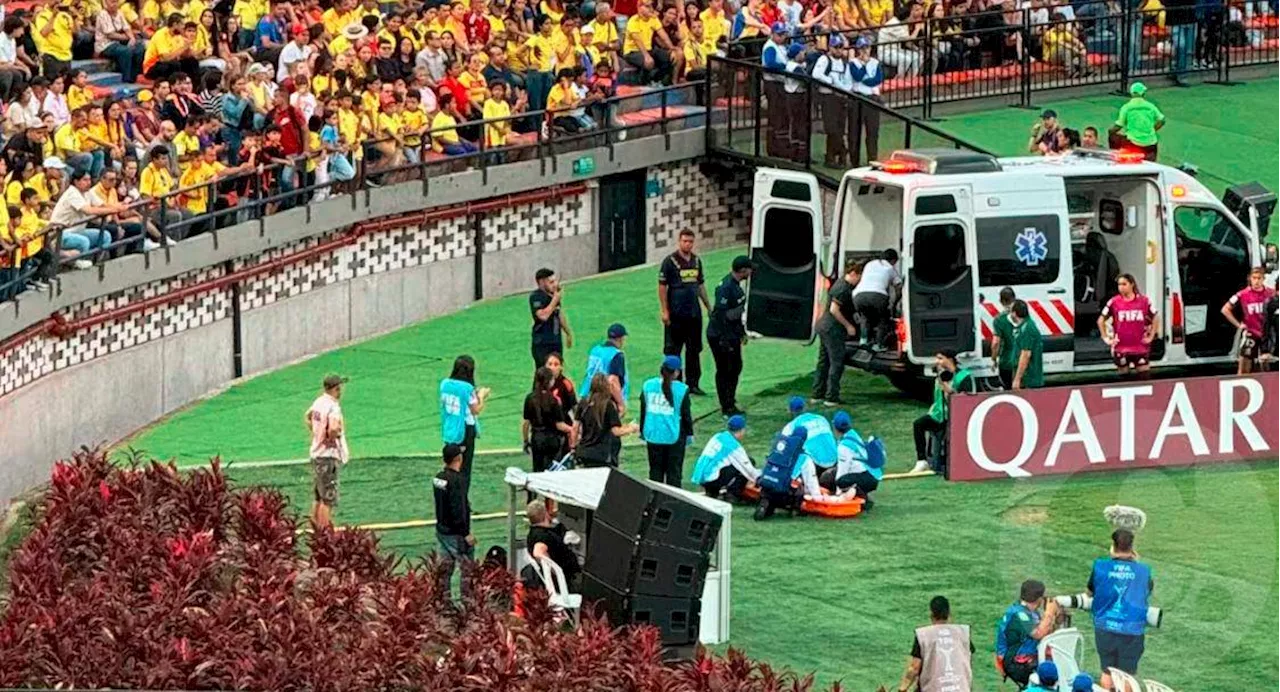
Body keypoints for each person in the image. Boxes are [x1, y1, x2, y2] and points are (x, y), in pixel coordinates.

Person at [1087, 528, 1154, 689]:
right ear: (1132, 547)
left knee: (1107, 671)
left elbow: (1089, 592)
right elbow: (1147, 591)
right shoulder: (1143, 570)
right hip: (1131, 629)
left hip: (1105, 626)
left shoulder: (1100, 566)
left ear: (1113, 545)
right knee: (1127, 676)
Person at [658, 228, 711, 395]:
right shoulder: (669, 261)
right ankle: (674, 382)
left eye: (690, 241)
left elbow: (700, 285)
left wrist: (708, 306)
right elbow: (662, 286)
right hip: (675, 314)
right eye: (685, 241)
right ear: (679, 242)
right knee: (673, 349)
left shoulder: (696, 261)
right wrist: (665, 310)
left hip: (693, 314)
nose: (687, 244)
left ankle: (693, 383)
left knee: (694, 349)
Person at [911, 350, 974, 475]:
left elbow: (965, 403)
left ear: (949, 359)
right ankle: (922, 460)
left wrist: (947, 389)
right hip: (938, 415)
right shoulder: (940, 377)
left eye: (940, 358)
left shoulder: (964, 376)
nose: (937, 362)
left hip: (957, 417)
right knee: (918, 424)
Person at [706, 255, 752, 416]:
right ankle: (726, 406)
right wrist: (724, 340)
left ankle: (730, 399)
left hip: (731, 333)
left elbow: (736, 315)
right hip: (720, 335)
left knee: (735, 367)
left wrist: (741, 333)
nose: (751, 272)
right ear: (742, 270)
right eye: (749, 269)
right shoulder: (725, 288)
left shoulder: (736, 286)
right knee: (725, 369)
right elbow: (721, 316)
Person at [897, 595, 973, 692]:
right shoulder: (963, 633)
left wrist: (902, 688)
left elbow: (914, 668)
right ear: (949, 613)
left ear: (932, 614)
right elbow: (968, 665)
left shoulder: (924, 635)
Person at [995, 579, 1063, 687]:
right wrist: (1049, 613)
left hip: (1025, 656)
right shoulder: (1019, 614)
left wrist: (1056, 618)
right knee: (1053, 675)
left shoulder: (1030, 612)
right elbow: (1038, 634)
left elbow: (1045, 632)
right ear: (1039, 598)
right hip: (1013, 662)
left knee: (1057, 666)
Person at [639, 355, 694, 487]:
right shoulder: (682, 389)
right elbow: (686, 415)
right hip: (674, 436)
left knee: (655, 472)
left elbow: (644, 411)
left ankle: (653, 502)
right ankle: (671, 505)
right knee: (674, 473)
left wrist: (642, 430)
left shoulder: (648, 385)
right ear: (676, 372)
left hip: (652, 434)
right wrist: (689, 434)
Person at [812, 260, 860, 406]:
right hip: (832, 328)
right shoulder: (843, 289)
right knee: (836, 362)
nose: (859, 281)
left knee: (823, 362)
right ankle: (832, 396)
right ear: (852, 274)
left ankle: (817, 394)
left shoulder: (838, 284)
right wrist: (848, 326)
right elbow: (834, 309)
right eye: (859, 277)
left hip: (823, 326)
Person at [440, 355, 491, 490]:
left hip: (450, 428)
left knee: (449, 463)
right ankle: (462, 500)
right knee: (464, 467)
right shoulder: (467, 388)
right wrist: (481, 396)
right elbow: (475, 410)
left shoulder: (444, 384)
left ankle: (448, 493)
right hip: (464, 430)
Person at [305, 373, 349, 530]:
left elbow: (307, 416)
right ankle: (324, 536)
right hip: (327, 457)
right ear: (336, 389)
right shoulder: (333, 407)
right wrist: (333, 436)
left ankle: (315, 530)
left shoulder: (318, 402)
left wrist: (316, 434)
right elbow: (333, 428)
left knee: (318, 496)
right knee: (327, 500)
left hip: (317, 455)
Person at [1099, 273, 1159, 378]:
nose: (1121, 287)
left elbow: (1155, 317)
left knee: (1144, 376)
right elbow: (1100, 320)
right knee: (1124, 378)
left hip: (1140, 347)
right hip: (1121, 347)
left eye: (1124, 284)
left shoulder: (1144, 301)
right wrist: (1106, 338)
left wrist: (1151, 336)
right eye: (1119, 285)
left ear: (1132, 285)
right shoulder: (1113, 302)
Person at [433, 443, 475, 590]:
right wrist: (466, 533)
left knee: (444, 570)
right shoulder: (457, 481)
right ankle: (469, 604)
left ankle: (443, 603)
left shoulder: (438, 478)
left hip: (442, 531)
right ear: (458, 458)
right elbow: (458, 509)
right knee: (467, 569)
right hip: (456, 533)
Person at [573, 372, 638, 467]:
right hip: (601, 454)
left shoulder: (583, 402)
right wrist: (631, 428)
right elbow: (616, 431)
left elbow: (575, 427)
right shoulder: (608, 405)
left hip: (584, 451)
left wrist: (574, 446)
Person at [820, 411, 883, 508]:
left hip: (867, 477)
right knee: (837, 477)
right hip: (872, 475)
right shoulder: (853, 435)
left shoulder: (844, 446)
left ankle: (863, 499)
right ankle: (860, 495)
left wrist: (838, 493)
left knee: (841, 481)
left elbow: (843, 470)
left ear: (835, 427)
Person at [523, 366, 575, 480]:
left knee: (537, 469)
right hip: (552, 438)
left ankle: (533, 496)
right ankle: (549, 497)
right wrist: (571, 430)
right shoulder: (553, 399)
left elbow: (526, 423)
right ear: (550, 381)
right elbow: (559, 424)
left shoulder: (530, 398)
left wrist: (526, 440)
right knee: (552, 470)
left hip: (537, 437)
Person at [691, 414, 759, 499]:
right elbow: (748, 468)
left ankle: (712, 492)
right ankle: (733, 493)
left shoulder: (717, 436)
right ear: (741, 430)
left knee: (723, 464)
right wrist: (761, 478)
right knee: (748, 462)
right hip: (712, 479)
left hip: (700, 476)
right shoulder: (734, 446)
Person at [1222, 267, 1274, 375]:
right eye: (1254, 278)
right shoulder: (1242, 294)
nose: (1256, 281)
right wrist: (1238, 325)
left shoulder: (1271, 293)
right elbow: (1225, 309)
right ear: (1250, 278)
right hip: (1251, 333)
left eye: (1259, 278)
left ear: (1263, 279)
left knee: (1266, 367)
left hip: (1267, 334)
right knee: (1244, 367)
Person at [526, 498, 581, 591]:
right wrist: (556, 572)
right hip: (568, 580)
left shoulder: (536, 532)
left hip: (568, 575)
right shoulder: (541, 536)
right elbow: (538, 552)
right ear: (545, 514)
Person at [852, 248, 901, 350]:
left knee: (865, 317)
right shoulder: (890, 268)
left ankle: (863, 340)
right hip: (877, 295)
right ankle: (878, 345)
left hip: (858, 295)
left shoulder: (870, 264)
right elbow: (898, 286)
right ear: (892, 260)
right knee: (883, 319)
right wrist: (895, 303)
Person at [583, 322, 630, 415]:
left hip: (587, 395)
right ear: (621, 338)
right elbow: (613, 381)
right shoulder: (617, 355)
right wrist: (621, 404)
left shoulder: (595, 350)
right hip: (606, 401)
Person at [530, 267, 574, 367]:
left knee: (557, 372)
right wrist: (555, 300)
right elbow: (543, 316)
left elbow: (558, 314)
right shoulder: (536, 297)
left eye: (555, 281)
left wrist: (568, 333)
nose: (555, 285)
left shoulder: (553, 296)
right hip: (542, 343)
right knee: (544, 375)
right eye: (551, 282)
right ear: (541, 282)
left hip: (556, 341)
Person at [1109, 82, 1164, 161]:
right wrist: (1153, 129)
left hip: (1133, 142)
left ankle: (1117, 157)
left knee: (1113, 136)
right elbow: (1162, 120)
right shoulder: (1150, 106)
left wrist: (1111, 131)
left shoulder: (1126, 107)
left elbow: (1118, 126)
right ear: (1143, 93)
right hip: (1151, 144)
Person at [782, 395, 839, 471]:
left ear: (790, 410)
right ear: (805, 407)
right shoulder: (821, 418)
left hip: (814, 466)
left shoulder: (790, 426)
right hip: (836, 460)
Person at [1010, 300, 1045, 390]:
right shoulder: (1024, 326)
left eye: (1010, 311)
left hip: (1028, 379)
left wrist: (1017, 379)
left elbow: (1025, 354)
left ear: (1014, 313)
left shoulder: (1027, 328)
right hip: (1026, 377)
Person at [989, 287, 1018, 389]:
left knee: (1009, 390)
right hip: (1023, 359)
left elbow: (995, 343)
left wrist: (993, 359)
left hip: (1007, 361)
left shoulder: (999, 319)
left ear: (1001, 301)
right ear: (1014, 298)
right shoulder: (1023, 315)